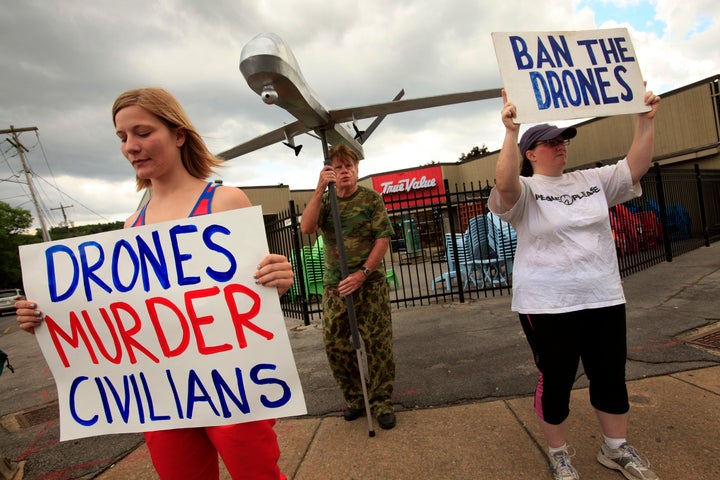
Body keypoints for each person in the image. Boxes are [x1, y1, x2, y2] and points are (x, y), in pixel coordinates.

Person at [15, 87, 293, 480]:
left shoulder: (225, 202)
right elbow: (111, 316)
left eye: (143, 132)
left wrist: (277, 281)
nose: (131, 146)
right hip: (163, 397)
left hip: (233, 388)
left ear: (178, 134)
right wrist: (46, 315)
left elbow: (253, 298)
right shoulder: (132, 226)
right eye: (122, 137)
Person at [488, 88, 661, 480]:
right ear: (531, 154)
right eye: (550, 142)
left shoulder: (593, 180)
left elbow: (635, 166)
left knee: (609, 373)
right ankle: (559, 452)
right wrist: (511, 133)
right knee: (558, 377)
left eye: (562, 140)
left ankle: (614, 448)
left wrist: (645, 120)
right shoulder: (528, 189)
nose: (560, 146)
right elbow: (505, 185)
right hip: (548, 302)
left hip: (602, 295)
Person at [300, 144, 397, 430]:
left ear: (357, 169)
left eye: (349, 166)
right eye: (338, 167)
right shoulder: (326, 201)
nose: (344, 171)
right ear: (330, 170)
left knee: (378, 344)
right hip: (336, 287)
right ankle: (356, 398)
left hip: (369, 283)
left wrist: (363, 273)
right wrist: (319, 189)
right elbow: (307, 228)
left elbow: (383, 238)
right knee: (336, 344)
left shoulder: (370, 199)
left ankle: (381, 402)